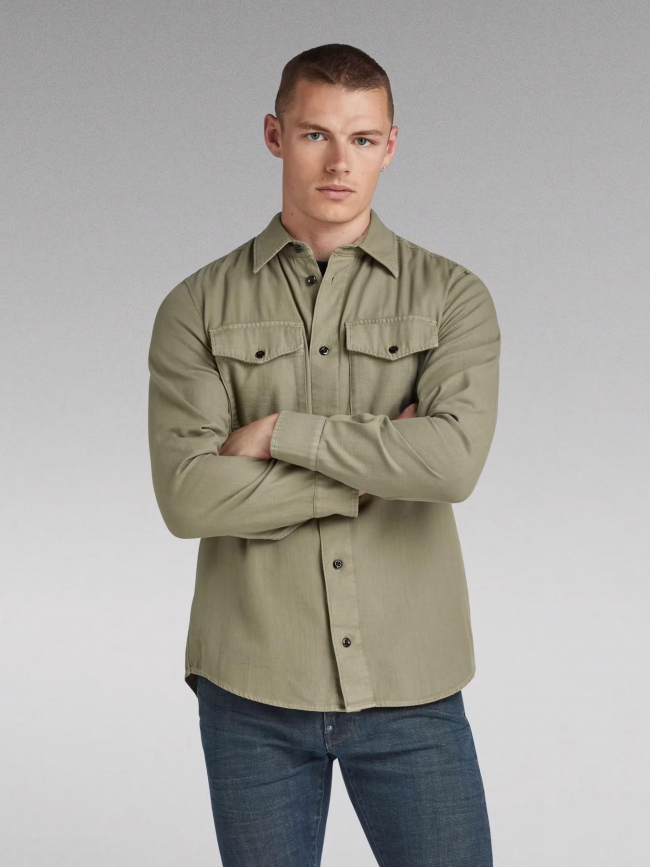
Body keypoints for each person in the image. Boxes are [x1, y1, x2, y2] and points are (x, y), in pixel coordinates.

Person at [147, 42, 500, 867]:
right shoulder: (196, 306)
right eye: (315, 135)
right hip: (251, 689)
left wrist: (278, 433)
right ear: (275, 136)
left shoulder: (452, 296)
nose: (340, 162)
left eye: (363, 138)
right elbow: (189, 497)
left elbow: (451, 464)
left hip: (412, 685)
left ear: (390, 145)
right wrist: (370, 476)